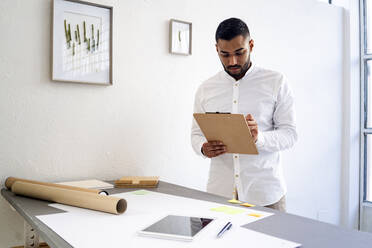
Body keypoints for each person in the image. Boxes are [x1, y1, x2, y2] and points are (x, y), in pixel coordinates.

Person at [191, 18, 297, 212]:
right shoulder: (206, 89)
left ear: (251, 45)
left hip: (266, 194)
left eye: (239, 53)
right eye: (225, 54)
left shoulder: (276, 82)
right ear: (216, 49)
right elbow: (196, 135)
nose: (232, 61)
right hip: (219, 194)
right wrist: (203, 148)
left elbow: (290, 135)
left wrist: (260, 138)